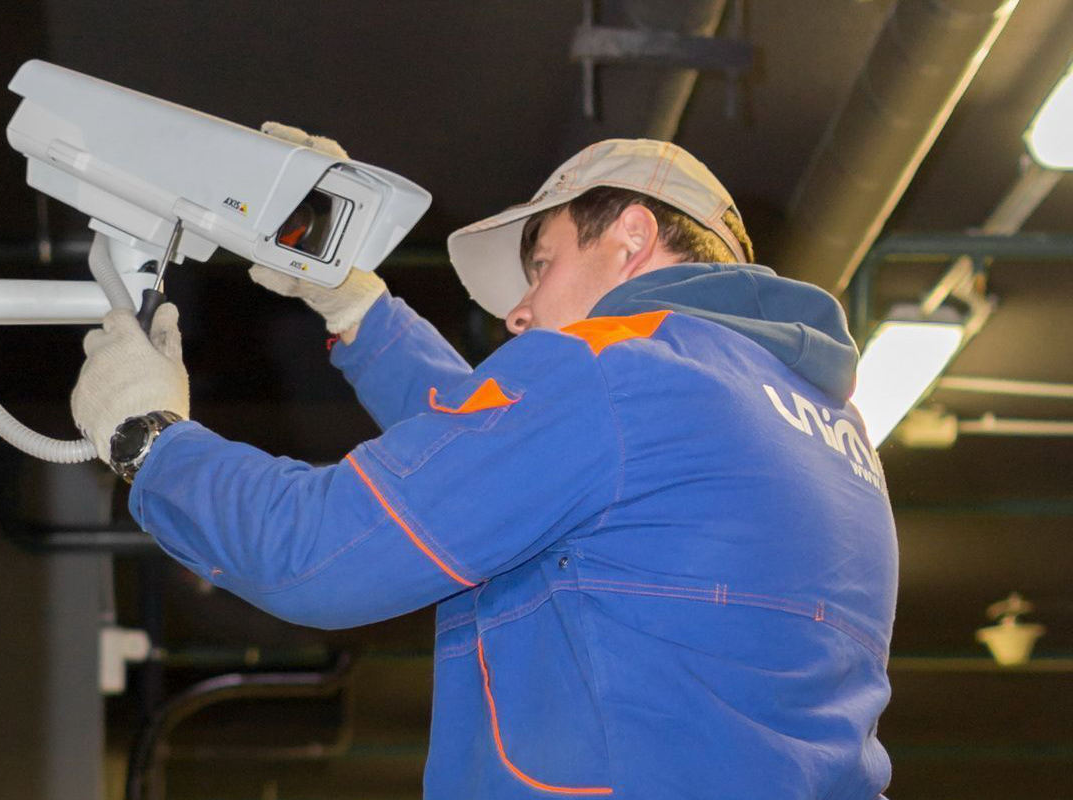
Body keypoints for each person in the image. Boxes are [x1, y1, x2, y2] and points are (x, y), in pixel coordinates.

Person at [72, 133, 897, 799]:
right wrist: (360, 310)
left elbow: (319, 551)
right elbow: (505, 457)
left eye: (542, 265)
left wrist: (152, 441)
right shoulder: (829, 435)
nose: (519, 311)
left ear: (632, 237)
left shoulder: (613, 370)